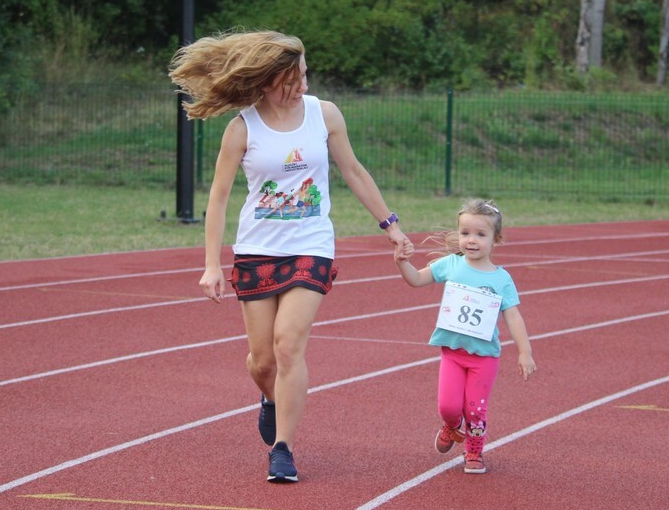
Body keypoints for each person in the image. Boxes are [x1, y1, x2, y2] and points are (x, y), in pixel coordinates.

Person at [170, 30, 411, 483]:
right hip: (257, 250)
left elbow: (354, 171)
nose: (300, 86)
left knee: (288, 344)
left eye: (303, 75)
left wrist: (391, 226)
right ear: (265, 81)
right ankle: (272, 398)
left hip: (310, 245)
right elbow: (218, 199)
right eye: (290, 80)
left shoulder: (324, 115)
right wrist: (210, 264)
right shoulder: (243, 127)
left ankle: (283, 448)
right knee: (262, 361)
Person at [394, 198, 535, 474]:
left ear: (496, 239)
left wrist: (524, 351)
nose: (471, 240)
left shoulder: (501, 279)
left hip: (484, 357)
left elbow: (513, 316)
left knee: (475, 410)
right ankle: (450, 426)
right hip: (453, 353)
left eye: (480, 235)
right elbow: (416, 279)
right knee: (448, 406)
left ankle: (474, 451)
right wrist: (402, 263)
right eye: (465, 233)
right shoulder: (451, 264)